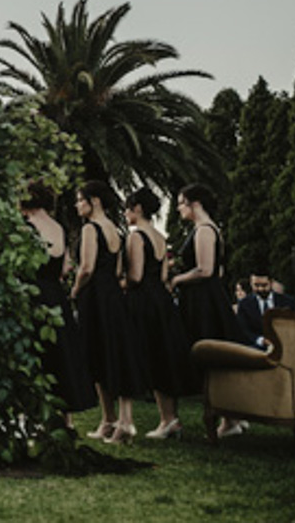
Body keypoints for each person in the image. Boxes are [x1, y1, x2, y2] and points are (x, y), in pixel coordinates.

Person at [71, 180, 146, 445]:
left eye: (81, 199)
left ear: (95, 201)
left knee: (97, 354)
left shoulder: (91, 229)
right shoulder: (116, 229)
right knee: (116, 353)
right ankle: (115, 421)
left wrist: (74, 290)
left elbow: (87, 267)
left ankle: (114, 420)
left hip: (94, 297)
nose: (77, 204)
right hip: (113, 295)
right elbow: (117, 271)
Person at [169, 183, 246, 438]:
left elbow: (206, 269)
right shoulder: (211, 229)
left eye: (181, 203)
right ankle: (230, 418)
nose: (179, 208)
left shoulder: (204, 230)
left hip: (204, 302)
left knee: (210, 358)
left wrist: (176, 280)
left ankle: (228, 421)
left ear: (195, 204)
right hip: (208, 298)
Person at [122, 187, 196, 440]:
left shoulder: (135, 237)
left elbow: (136, 276)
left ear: (138, 209)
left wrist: (119, 282)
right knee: (164, 355)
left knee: (151, 356)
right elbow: (163, 275)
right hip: (161, 299)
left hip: (143, 300)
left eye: (127, 207)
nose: (125, 213)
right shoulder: (160, 237)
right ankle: (171, 418)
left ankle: (166, 420)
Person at [20, 181, 95, 427]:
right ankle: (67, 421)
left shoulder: (25, 227)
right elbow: (65, 268)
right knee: (61, 356)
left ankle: (32, 418)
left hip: (33, 295)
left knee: (36, 357)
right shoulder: (58, 227)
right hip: (56, 296)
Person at [236, 270, 295, 350]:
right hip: (256, 350)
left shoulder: (287, 302)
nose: (260, 289)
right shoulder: (245, 304)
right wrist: (261, 340)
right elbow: (244, 329)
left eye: (264, 285)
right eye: (256, 285)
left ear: (271, 283)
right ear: (251, 284)